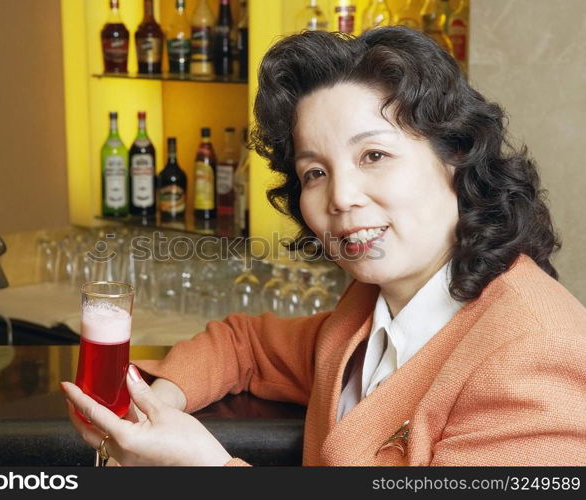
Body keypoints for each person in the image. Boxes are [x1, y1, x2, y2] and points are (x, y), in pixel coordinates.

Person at [61, 27, 586, 466]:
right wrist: (159, 404)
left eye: (374, 155)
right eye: (315, 172)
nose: (340, 196)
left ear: (458, 157)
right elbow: (244, 346)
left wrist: (210, 469)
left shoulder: (535, 352)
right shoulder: (366, 316)